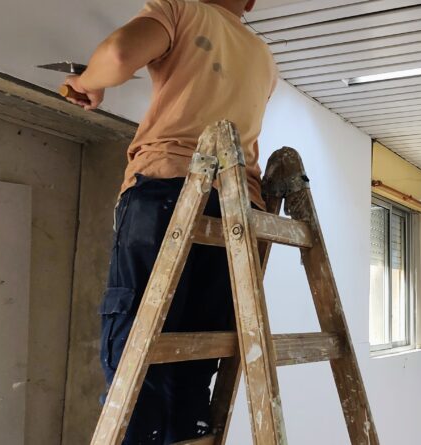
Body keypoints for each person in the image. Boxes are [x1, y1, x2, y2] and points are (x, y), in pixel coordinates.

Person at [63, 0, 277, 442]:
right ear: (251, 3)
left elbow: (119, 54)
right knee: (194, 357)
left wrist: (86, 83)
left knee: (138, 350)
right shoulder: (262, 55)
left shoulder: (182, 10)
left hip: (172, 189)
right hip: (237, 211)